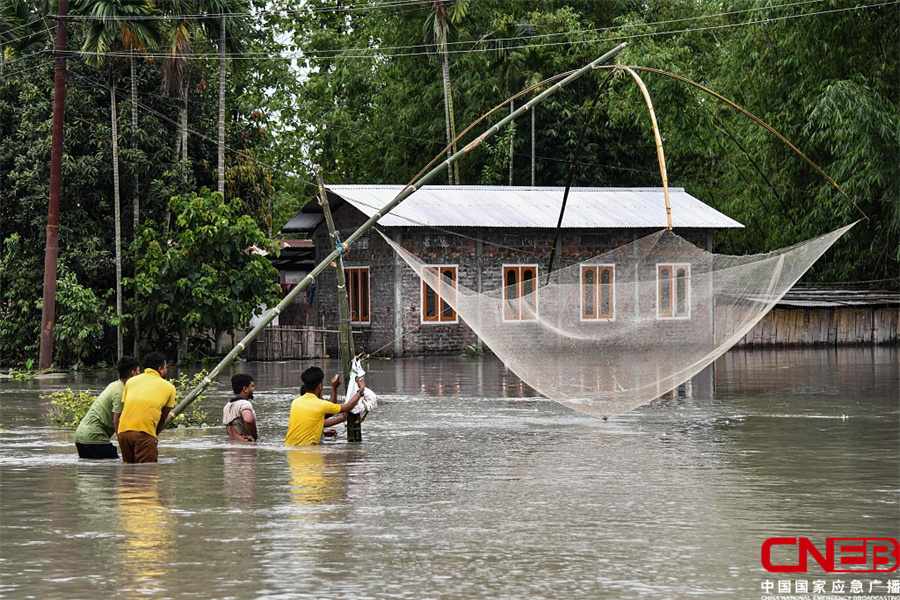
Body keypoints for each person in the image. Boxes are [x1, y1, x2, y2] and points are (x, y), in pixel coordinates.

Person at [74, 356, 141, 459]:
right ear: (133, 373)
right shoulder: (121, 392)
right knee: (116, 467)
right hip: (94, 438)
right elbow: (116, 420)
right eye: (138, 371)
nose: (140, 374)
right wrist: (124, 444)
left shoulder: (114, 385)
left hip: (81, 437)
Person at [116, 352, 177, 463]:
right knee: (146, 475)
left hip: (123, 433)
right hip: (144, 433)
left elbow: (126, 408)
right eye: (165, 367)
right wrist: (153, 437)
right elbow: (162, 418)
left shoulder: (131, 382)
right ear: (160, 369)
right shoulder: (170, 388)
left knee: (128, 473)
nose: (166, 370)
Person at [284, 367, 365, 446]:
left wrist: (324, 434)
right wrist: (361, 389)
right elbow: (348, 407)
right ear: (320, 386)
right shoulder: (320, 405)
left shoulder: (295, 403)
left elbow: (316, 421)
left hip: (290, 450)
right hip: (308, 451)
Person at [223, 373, 259, 442]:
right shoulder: (244, 404)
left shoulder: (227, 406)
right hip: (247, 448)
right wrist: (255, 437)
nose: (254, 389)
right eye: (252, 386)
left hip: (231, 448)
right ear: (245, 389)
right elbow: (248, 420)